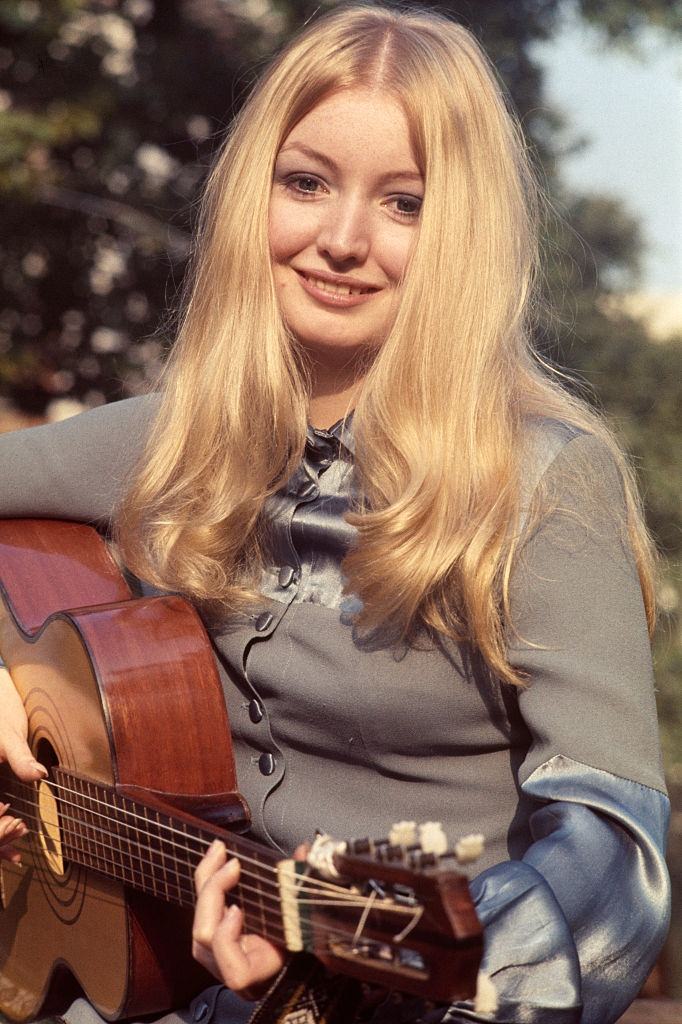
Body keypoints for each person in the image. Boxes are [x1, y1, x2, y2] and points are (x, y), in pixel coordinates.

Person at [0, 3, 671, 1023]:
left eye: (405, 204)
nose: (343, 240)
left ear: (464, 237)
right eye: (305, 183)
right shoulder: (173, 435)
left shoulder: (543, 483)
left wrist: (478, 962)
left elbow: (615, 843)